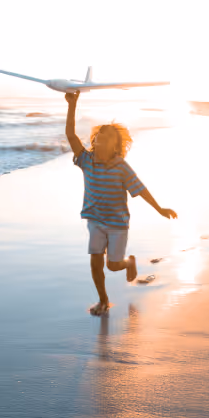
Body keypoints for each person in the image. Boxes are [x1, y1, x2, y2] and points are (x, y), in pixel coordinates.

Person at [65, 91, 177, 316]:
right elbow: (71, 135)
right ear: (94, 140)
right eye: (100, 136)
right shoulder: (86, 160)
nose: (102, 140)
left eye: (108, 137)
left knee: (113, 265)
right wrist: (72, 104)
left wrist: (159, 208)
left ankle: (129, 262)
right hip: (95, 220)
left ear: (116, 145)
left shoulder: (121, 167)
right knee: (95, 262)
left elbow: (141, 189)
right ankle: (103, 300)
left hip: (117, 224)